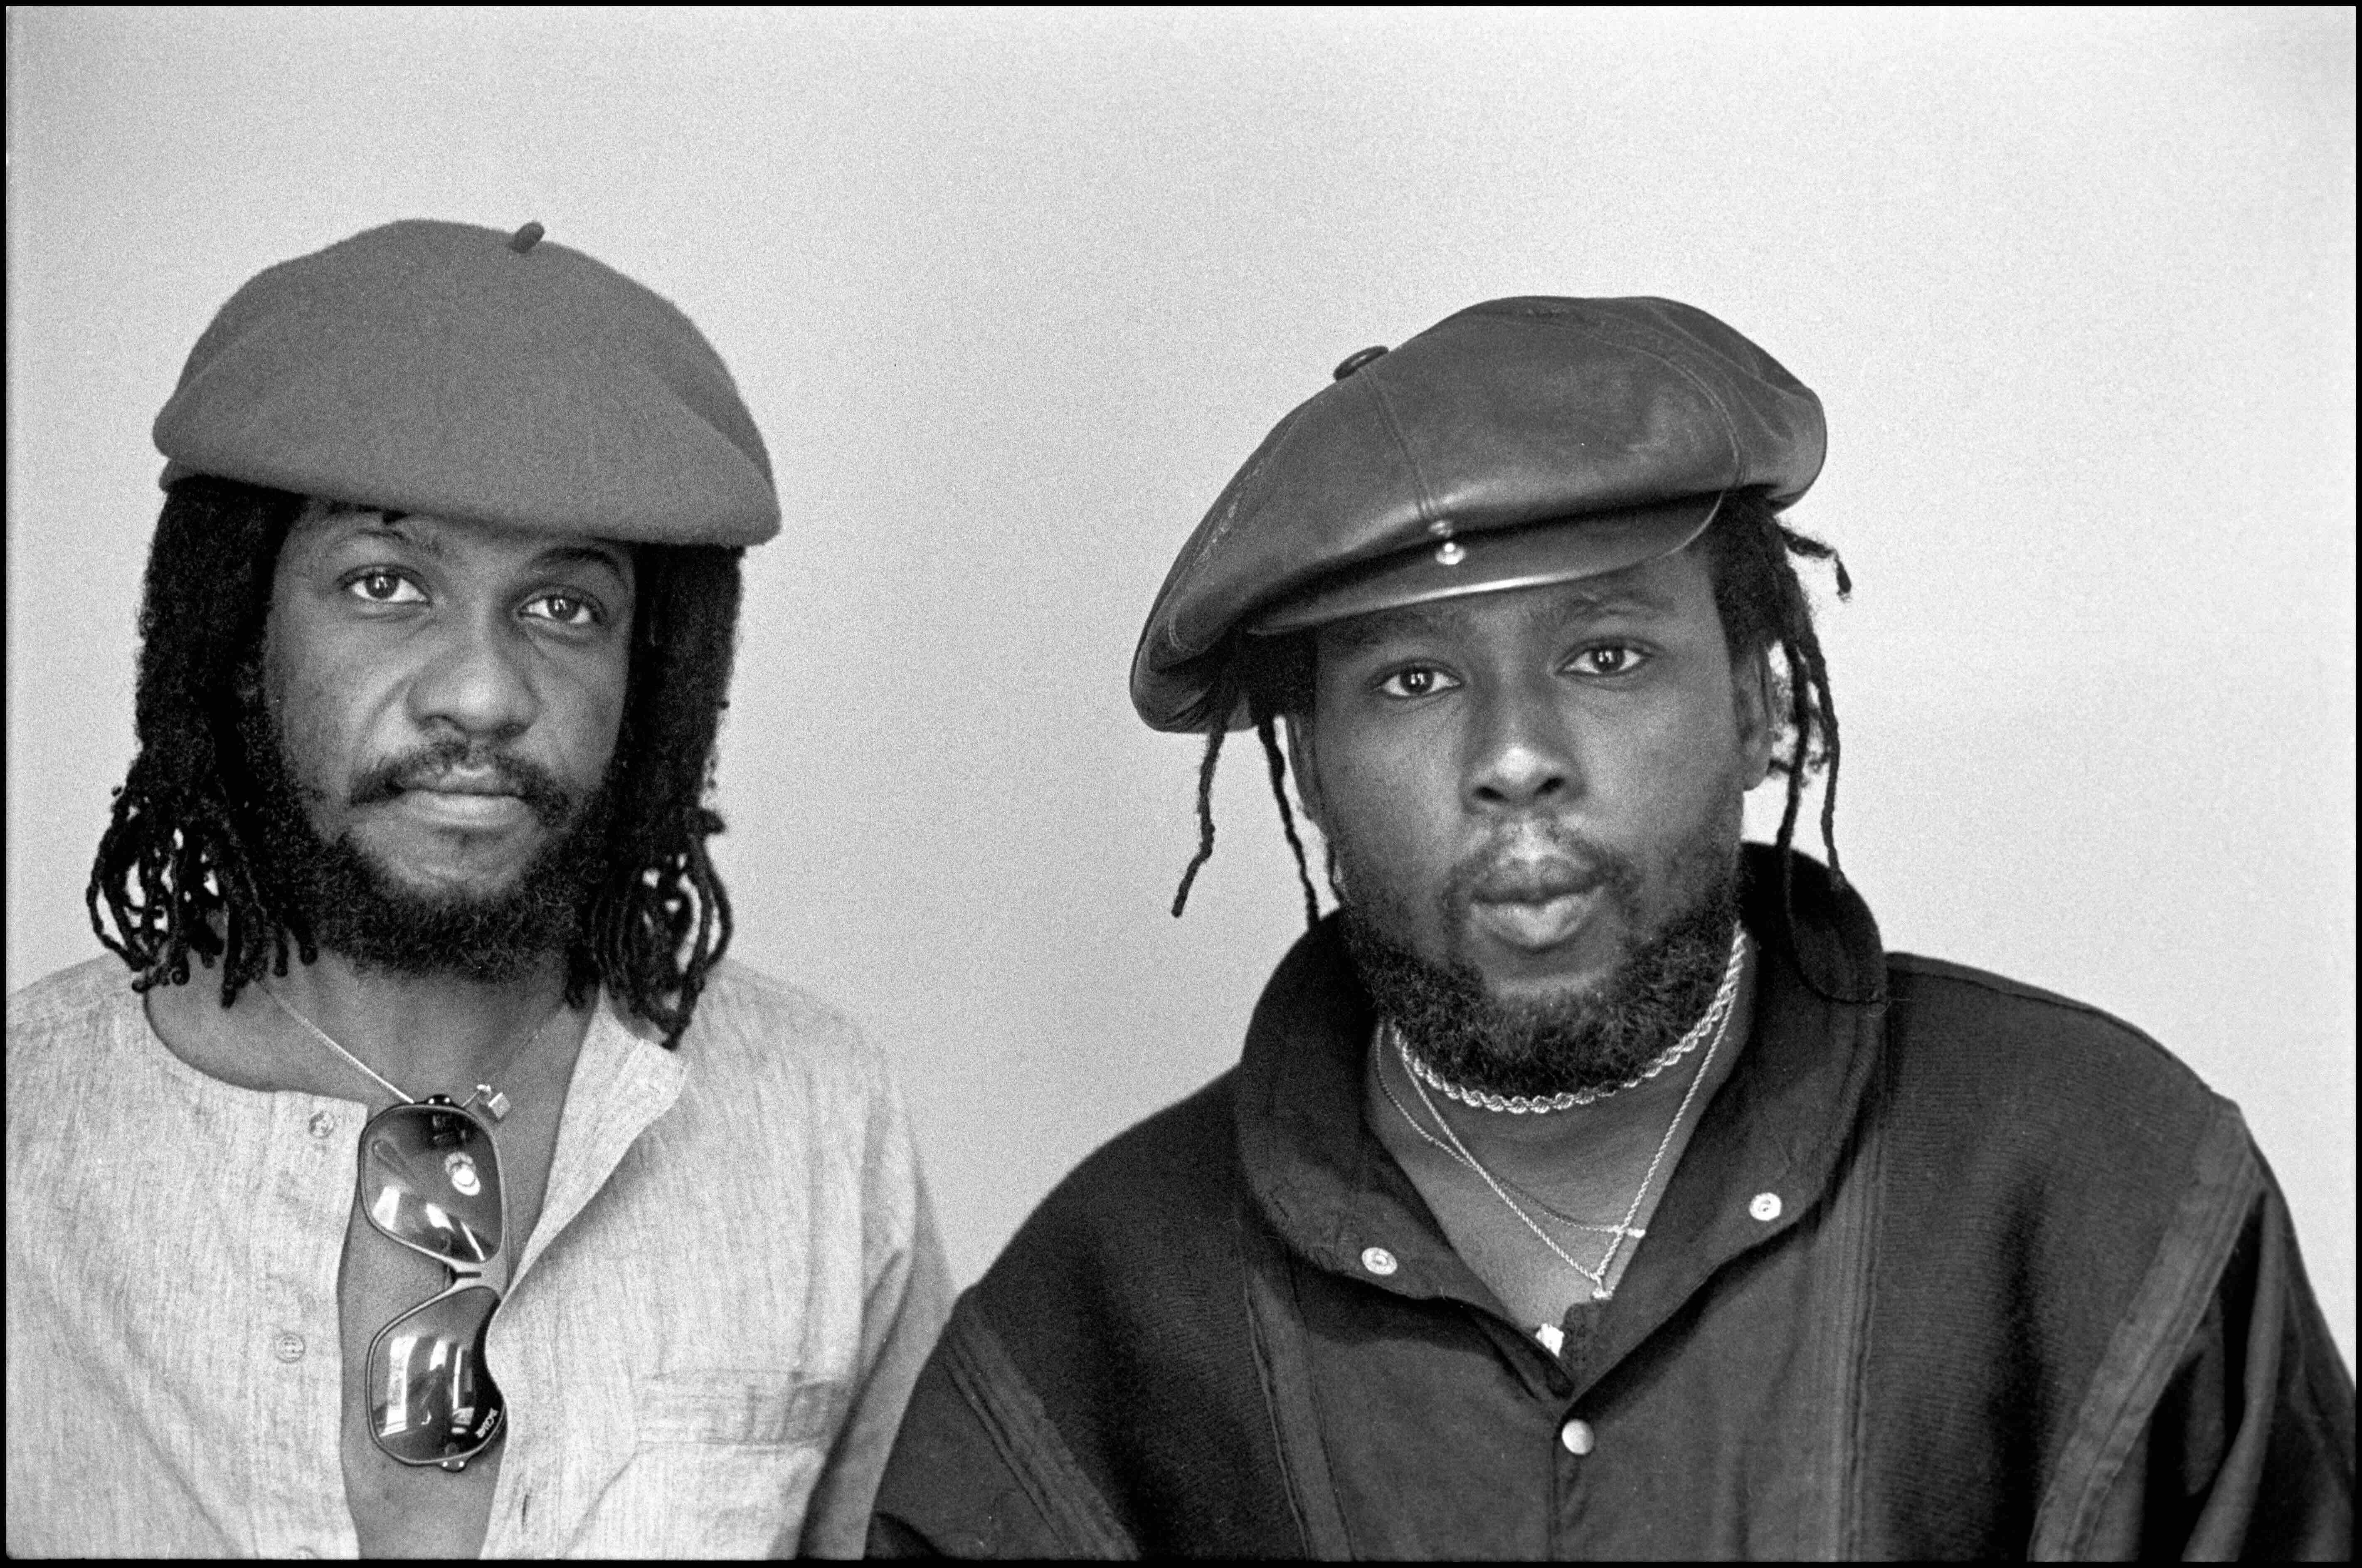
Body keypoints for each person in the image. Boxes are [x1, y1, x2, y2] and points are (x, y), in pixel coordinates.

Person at [870, 296, 2355, 1557]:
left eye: (1603, 651)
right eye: (1410, 681)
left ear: (1761, 700)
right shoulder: (1098, 1316)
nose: (1515, 754)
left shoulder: (2104, 1187)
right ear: (1308, 762)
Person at [6, 219, 950, 1558]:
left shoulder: (817, 1118)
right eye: (386, 583)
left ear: (659, 682)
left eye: (565, 607)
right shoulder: (27, 1144)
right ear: (235, 631)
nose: (485, 693)